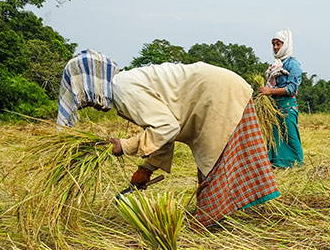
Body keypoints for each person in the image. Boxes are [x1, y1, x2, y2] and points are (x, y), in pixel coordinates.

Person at [57, 49, 280, 226]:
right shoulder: (124, 86)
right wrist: (146, 170)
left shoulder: (124, 91)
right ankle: (225, 216)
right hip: (220, 90)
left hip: (217, 96)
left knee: (215, 164)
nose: (89, 104)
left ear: (89, 85)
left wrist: (123, 146)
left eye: (84, 99)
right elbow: (162, 130)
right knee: (217, 163)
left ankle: (210, 222)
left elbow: (166, 128)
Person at [257, 28, 304, 168]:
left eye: (279, 44)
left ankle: (298, 164)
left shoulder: (292, 64)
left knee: (290, 137)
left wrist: (269, 91)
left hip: (287, 107)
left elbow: (291, 89)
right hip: (274, 107)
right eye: (274, 44)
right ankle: (278, 164)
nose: (276, 47)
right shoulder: (276, 65)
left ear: (286, 44)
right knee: (275, 136)